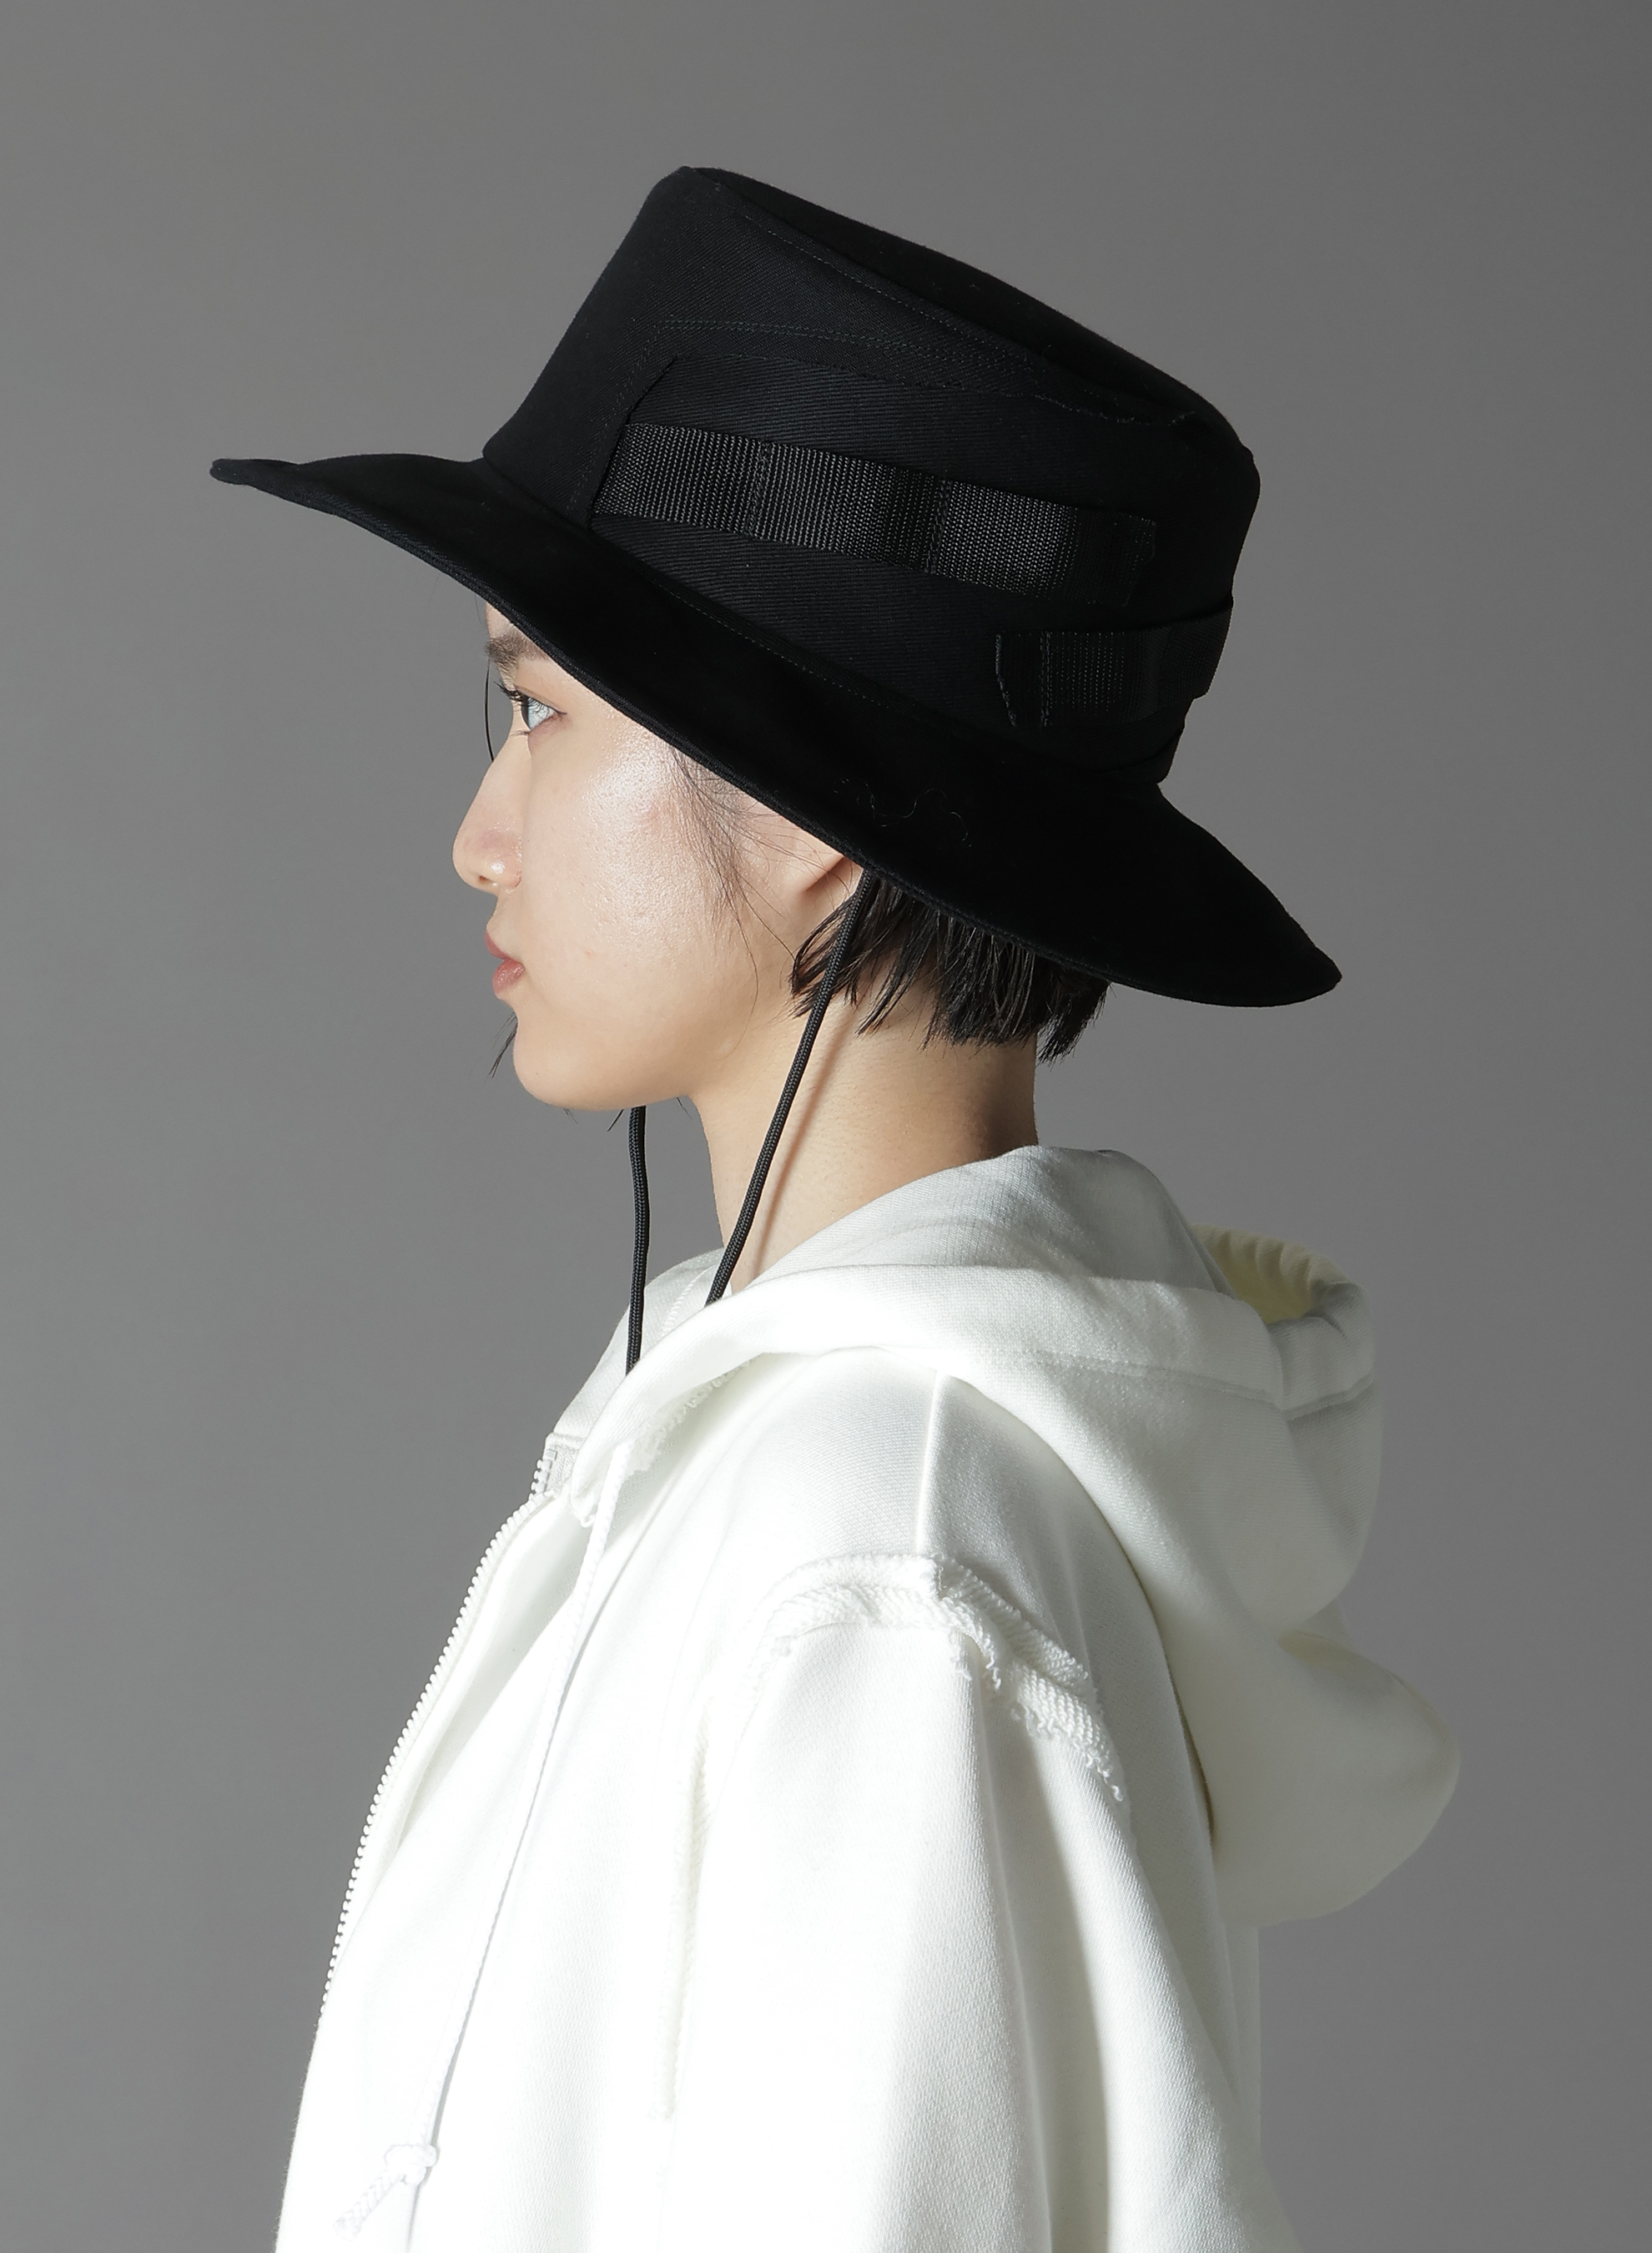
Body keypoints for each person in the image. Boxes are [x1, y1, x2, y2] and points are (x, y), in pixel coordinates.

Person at [213, 169, 1457, 2253]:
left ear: (802, 818)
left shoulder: (876, 1537)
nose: (480, 835)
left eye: (539, 711)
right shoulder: (773, 1461)